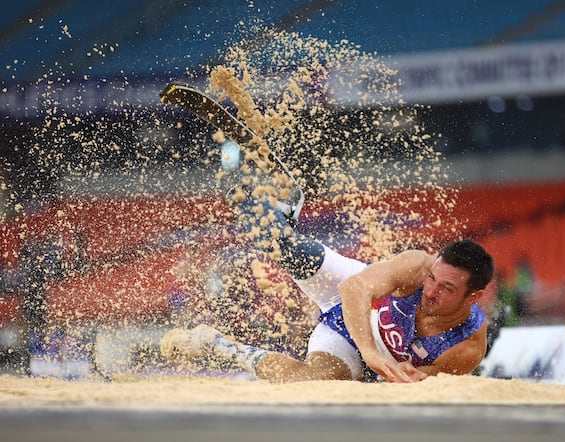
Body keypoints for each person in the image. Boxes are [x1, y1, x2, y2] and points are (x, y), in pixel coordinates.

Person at [160, 144, 494, 384]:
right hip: (352, 295)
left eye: (446, 288)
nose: (430, 291)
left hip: (352, 347)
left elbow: (418, 382)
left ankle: (216, 344)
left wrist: (380, 367)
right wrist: (371, 350)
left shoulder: (466, 347)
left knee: (308, 382)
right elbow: (354, 288)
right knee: (281, 246)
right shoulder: (418, 266)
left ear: (473, 296)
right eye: (434, 279)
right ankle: (280, 210)